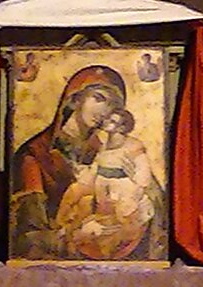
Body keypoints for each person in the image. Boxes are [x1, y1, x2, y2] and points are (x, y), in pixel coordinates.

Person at [10, 65, 126, 259]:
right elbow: (27, 239)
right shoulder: (35, 155)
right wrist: (74, 236)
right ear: (75, 98)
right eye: (98, 98)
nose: (104, 111)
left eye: (113, 106)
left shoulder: (107, 153)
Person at [57, 108, 162, 260]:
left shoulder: (133, 147)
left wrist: (131, 179)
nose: (106, 122)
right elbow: (96, 169)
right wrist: (82, 173)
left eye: (112, 121)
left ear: (122, 128)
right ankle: (61, 227)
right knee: (74, 192)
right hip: (102, 192)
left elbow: (143, 178)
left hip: (123, 197)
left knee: (100, 227)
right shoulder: (105, 144)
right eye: (108, 119)